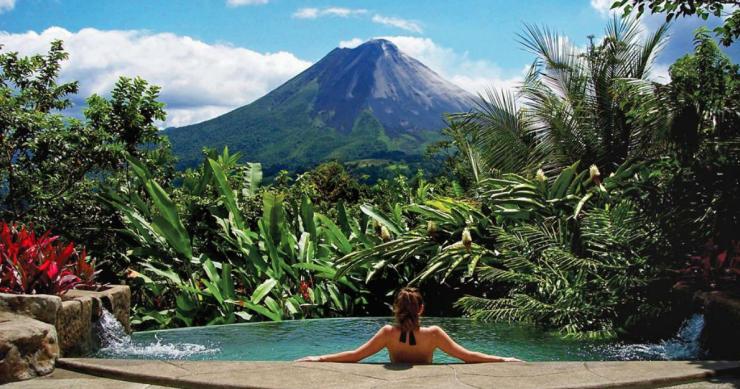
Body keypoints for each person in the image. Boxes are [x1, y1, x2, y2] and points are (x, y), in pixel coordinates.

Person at [296, 287, 523, 364]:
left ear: (396, 308)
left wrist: (320, 358)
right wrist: (503, 359)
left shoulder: (387, 333)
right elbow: (468, 356)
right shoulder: (434, 334)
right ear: (421, 309)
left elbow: (356, 356)